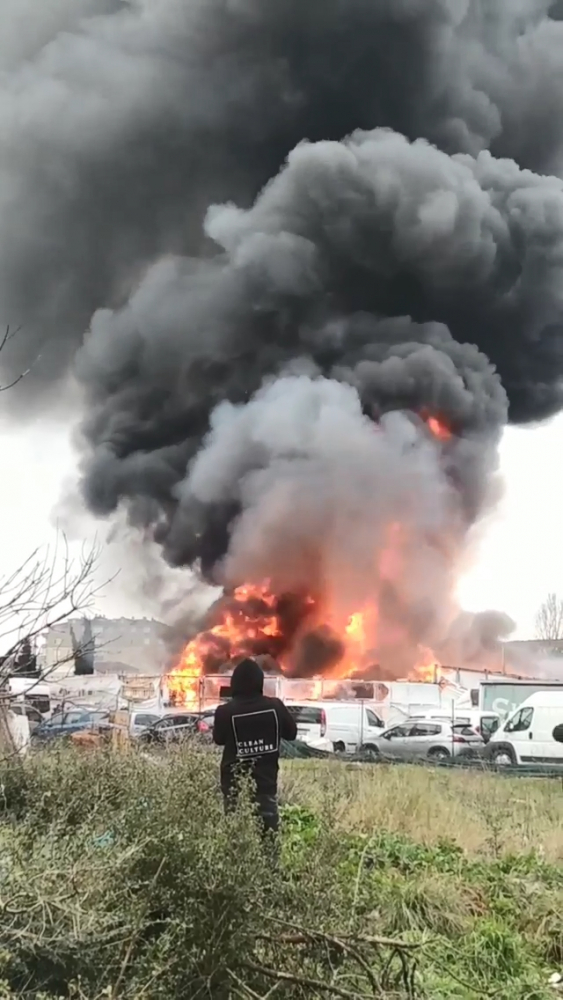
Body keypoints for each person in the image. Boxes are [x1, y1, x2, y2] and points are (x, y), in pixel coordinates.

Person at [213, 657, 297, 834]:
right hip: (265, 786)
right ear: (260, 682)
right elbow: (291, 733)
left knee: (236, 839)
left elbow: (219, 738)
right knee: (268, 840)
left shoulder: (225, 711)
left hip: (234, 787)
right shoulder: (275, 707)